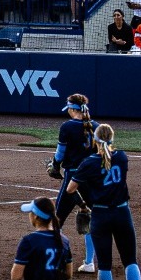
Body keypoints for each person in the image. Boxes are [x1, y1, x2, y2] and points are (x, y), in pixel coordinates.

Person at [64, 123, 141, 280]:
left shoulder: (89, 163)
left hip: (100, 215)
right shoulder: (122, 157)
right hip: (122, 213)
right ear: (112, 138)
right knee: (130, 260)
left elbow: (70, 188)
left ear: (95, 140)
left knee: (104, 264)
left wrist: (84, 201)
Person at [50, 94, 97, 244]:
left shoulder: (67, 126)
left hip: (73, 178)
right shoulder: (96, 126)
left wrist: (55, 165)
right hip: (91, 178)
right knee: (90, 218)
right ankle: (89, 262)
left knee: (58, 219)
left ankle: (58, 256)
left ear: (72, 109)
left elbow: (60, 154)